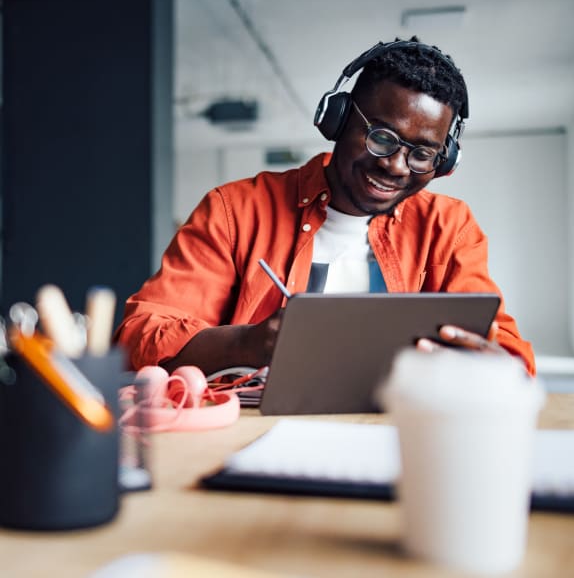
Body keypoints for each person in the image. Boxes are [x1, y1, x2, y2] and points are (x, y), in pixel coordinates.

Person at [115, 37, 535, 377]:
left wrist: (491, 365)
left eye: (422, 154)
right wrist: (251, 343)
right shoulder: (234, 210)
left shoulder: (449, 226)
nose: (394, 165)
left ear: (443, 161)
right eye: (382, 138)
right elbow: (139, 333)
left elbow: (510, 355)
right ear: (338, 120)